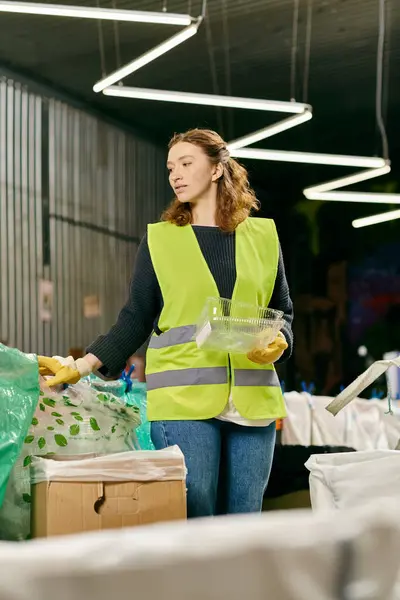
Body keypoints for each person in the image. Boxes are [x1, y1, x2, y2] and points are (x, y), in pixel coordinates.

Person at [38, 128, 294, 518]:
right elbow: (136, 317)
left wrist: (281, 341)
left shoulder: (264, 236)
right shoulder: (160, 240)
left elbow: (283, 311)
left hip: (253, 402)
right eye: (170, 167)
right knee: (197, 507)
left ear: (215, 168)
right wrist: (82, 365)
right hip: (182, 398)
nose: (175, 174)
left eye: (186, 163)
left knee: (246, 517)